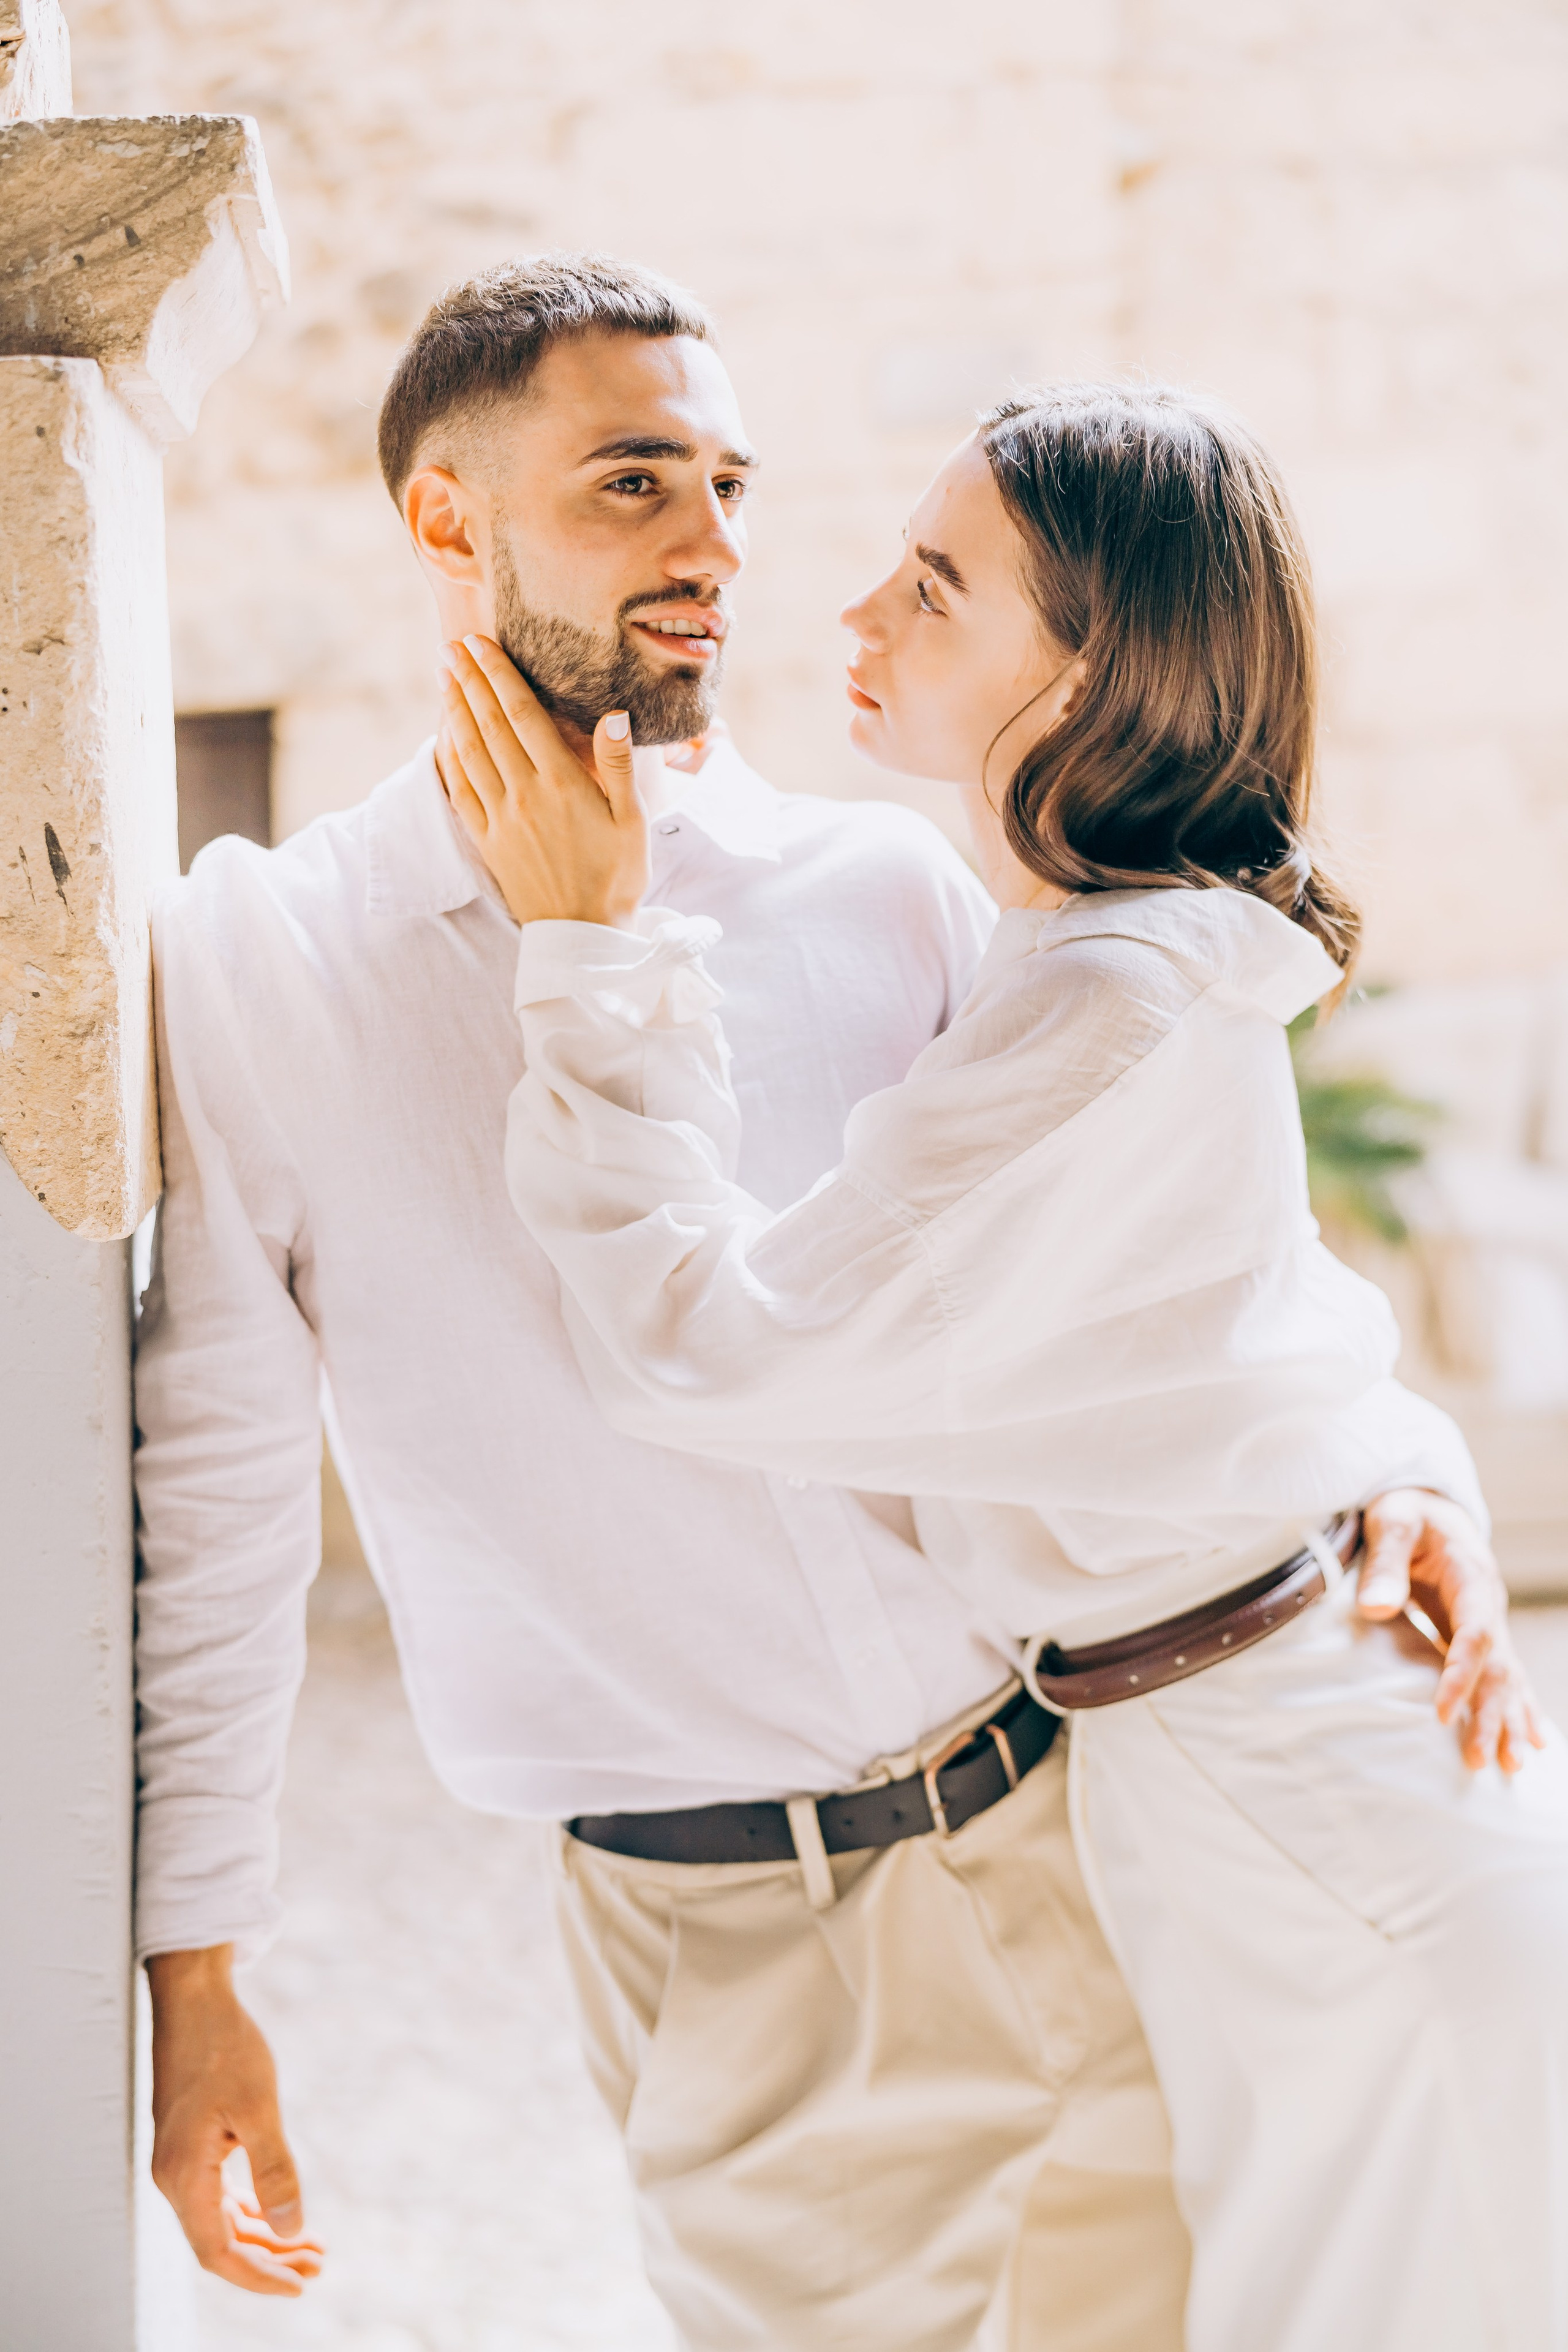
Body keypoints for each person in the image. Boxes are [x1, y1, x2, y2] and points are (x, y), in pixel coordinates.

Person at [135, 258, 1529, 2352]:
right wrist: (198, 1969)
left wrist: (1413, 1469)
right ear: (446, 522)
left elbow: (1160, 1272)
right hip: (732, 1939)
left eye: (728, 480)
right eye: (632, 484)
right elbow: (218, 1486)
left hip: (1095, 1833)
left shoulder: (885, 891)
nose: (715, 548)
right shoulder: (268, 962)